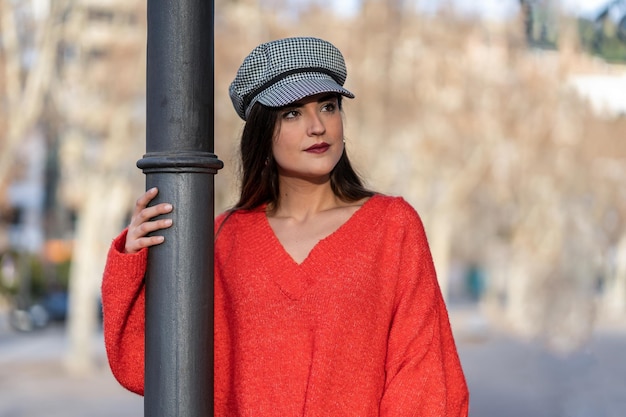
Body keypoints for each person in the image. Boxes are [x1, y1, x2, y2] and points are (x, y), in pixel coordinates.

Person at [101, 36, 469, 416]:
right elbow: (150, 367)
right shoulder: (222, 240)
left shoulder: (392, 227)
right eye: (292, 113)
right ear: (263, 130)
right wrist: (134, 258)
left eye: (328, 106)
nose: (317, 126)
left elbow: (424, 375)